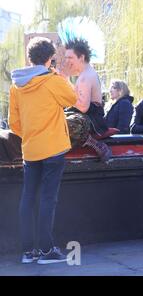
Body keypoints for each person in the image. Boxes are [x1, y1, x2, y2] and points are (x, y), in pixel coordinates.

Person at [8, 37, 77, 264]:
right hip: (53, 148)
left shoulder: (16, 85)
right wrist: (57, 74)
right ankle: (47, 251)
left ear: (29, 58)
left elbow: (14, 123)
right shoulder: (52, 80)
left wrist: (30, 134)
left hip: (30, 149)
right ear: (49, 59)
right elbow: (72, 98)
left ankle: (28, 252)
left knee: (28, 199)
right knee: (48, 199)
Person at [64, 38, 115, 162]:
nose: (67, 62)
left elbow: (82, 107)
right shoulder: (85, 73)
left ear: (81, 57)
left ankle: (91, 142)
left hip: (89, 120)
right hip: (85, 116)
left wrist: (65, 89)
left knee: (62, 123)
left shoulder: (85, 77)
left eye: (70, 58)